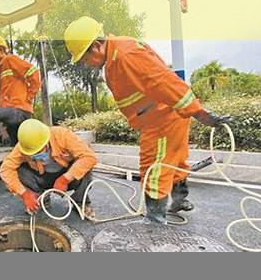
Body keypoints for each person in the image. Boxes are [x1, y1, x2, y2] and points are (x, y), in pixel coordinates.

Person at [63, 16, 231, 224]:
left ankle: (155, 221)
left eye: (84, 58)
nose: (85, 64)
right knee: (174, 161)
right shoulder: (115, 57)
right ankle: (179, 199)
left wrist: (198, 112)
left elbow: (164, 81)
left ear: (96, 46)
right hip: (161, 118)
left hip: (162, 120)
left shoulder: (126, 54)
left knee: (153, 170)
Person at [0, 119, 97, 219]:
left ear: (46, 140)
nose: (36, 155)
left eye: (39, 150)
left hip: (67, 175)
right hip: (43, 177)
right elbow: (5, 169)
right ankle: (41, 199)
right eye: (33, 153)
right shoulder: (23, 147)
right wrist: (24, 194)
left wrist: (65, 179)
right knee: (20, 171)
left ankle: (81, 202)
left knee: (85, 169)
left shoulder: (62, 135)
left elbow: (89, 157)